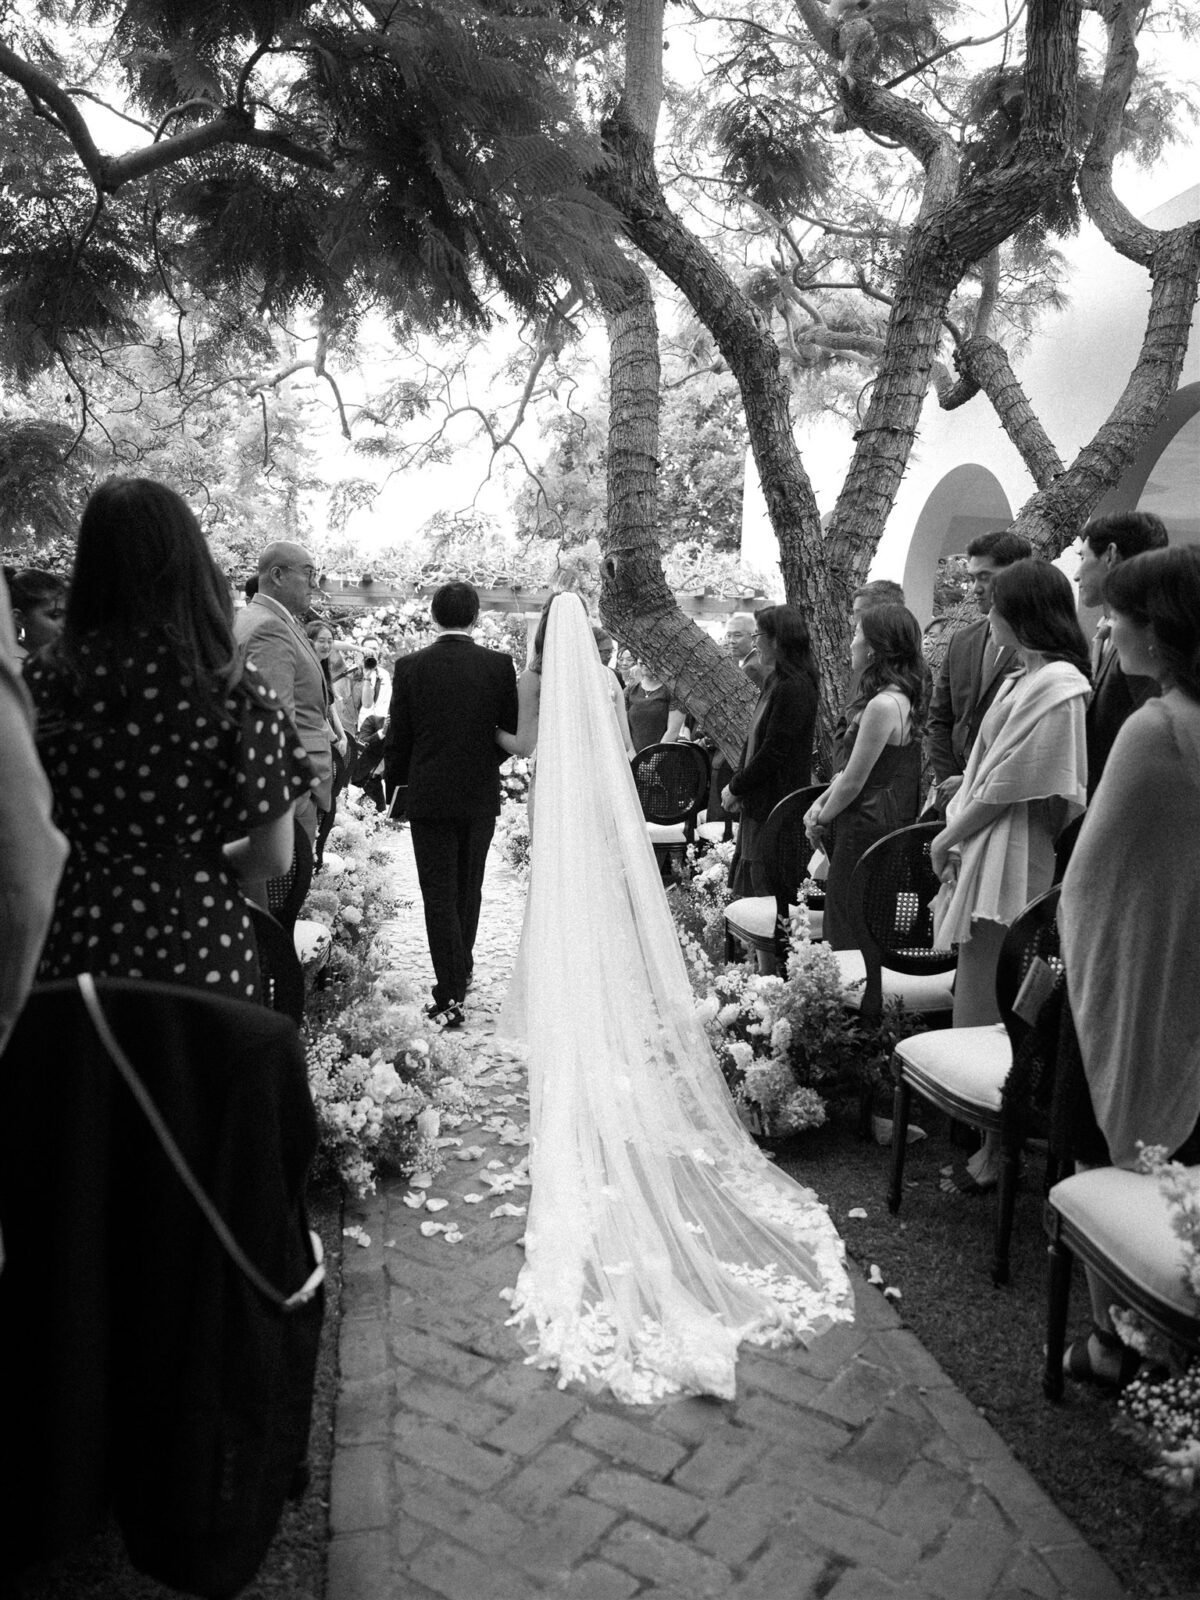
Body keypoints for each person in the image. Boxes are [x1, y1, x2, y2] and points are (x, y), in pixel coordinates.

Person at [497, 592, 852, 1402]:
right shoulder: (612, 690)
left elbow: (533, 749)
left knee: (561, 905)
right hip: (596, 806)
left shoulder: (539, 679)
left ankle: (560, 993)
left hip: (560, 805)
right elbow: (625, 757)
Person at [25, 478, 315, 1003]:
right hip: (201, 944)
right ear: (191, 563)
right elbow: (274, 856)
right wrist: (184, 865)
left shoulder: (45, 682)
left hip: (73, 944)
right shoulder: (236, 688)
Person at [1058, 545, 1200, 1387]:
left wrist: (1086, 953)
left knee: (1095, 1144)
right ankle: (1171, 1333)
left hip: (1136, 967)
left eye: (1122, 616)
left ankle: (1112, 1337)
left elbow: (1091, 876)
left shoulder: (1154, 729)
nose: (1108, 627)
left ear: (1161, 630)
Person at [929, 559, 1089, 1192]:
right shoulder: (1021, 679)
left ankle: (1000, 1142)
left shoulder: (1059, 684)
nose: (984, 614)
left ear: (1019, 613)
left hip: (1013, 850)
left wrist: (950, 831)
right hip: (984, 839)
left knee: (1006, 995)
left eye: (993, 603)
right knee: (976, 982)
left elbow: (1018, 785)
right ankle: (981, 1123)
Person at [383, 581, 518, 1029]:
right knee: (469, 886)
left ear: (433, 616)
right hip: (479, 792)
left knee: (437, 893)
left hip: (429, 793)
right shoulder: (499, 666)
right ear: (475, 617)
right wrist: (482, 762)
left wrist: (397, 787)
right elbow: (508, 731)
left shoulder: (410, 667)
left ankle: (450, 991)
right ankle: (462, 966)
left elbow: (397, 737)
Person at [805, 604, 926, 950]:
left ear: (874, 647)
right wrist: (819, 802)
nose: (851, 643)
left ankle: (850, 999)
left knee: (846, 924)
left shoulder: (882, 705)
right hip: (883, 821)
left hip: (864, 827)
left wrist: (819, 820)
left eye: (857, 634)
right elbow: (848, 772)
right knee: (866, 922)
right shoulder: (902, 699)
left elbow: (856, 780)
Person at [0, 579, 67, 1055]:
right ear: (17, 618)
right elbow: (29, 867)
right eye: (54, 615)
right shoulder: (26, 681)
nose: (65, 627)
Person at [234, 541, 332, 856]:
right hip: (291, 795)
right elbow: (275, 723)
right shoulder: (268, 628)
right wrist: (297, 798)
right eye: (308, 574)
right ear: (277, 575)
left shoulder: (259, 618)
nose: (315, 585)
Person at [926, 530, 1033, 810]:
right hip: (950, 796)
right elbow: (939, 718)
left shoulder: (1037, 647)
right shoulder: (963, 639)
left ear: (1016, 573)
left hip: (1003, 799)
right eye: (973, 577)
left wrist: (969, 779)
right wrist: (949, 775)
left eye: (985, 577)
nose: (975, 588)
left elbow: (1027, 739)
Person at [721, 605, 819, 899]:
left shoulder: (795, 687)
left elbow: (773, 752)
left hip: (775, 803)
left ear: (776, 641)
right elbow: (754, 739)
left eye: (758, 635)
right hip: (759, 800)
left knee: (765, 886)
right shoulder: (776, 681)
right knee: (750, 882)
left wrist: (736, 786)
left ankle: (767, 946)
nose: (755, 643)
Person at [1075, 510, 1169, 796]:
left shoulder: (1146, 645)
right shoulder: (1107, 635)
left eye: (1082, 558)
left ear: (1110, 555)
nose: (1077, 574)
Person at [307, 621, 352, 862]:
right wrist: (335, 739)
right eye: (321, 640)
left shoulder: (323, 668)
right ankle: (314, 855)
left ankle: (318, 854)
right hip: (316, 741)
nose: (326, 645)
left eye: (329, 641)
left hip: (330, 739)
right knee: (323, 805)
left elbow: (330, 704)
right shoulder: (307, 669)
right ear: (309, 641)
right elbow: (313, 710)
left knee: (330, 803)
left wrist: (342, 734)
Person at [6, 568, 67, 664]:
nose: (65, 624)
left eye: (68, 615)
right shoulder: (12, 669)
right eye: (55, 616)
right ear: (19, 619)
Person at [626, 661, 686, 751]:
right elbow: (623, 729)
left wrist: (653, 761)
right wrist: (633, 758)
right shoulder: (630, 690)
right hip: (631, 757)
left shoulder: (673, 692)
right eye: (640, 657)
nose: (643, 661)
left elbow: (672, 732)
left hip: (663, 755)